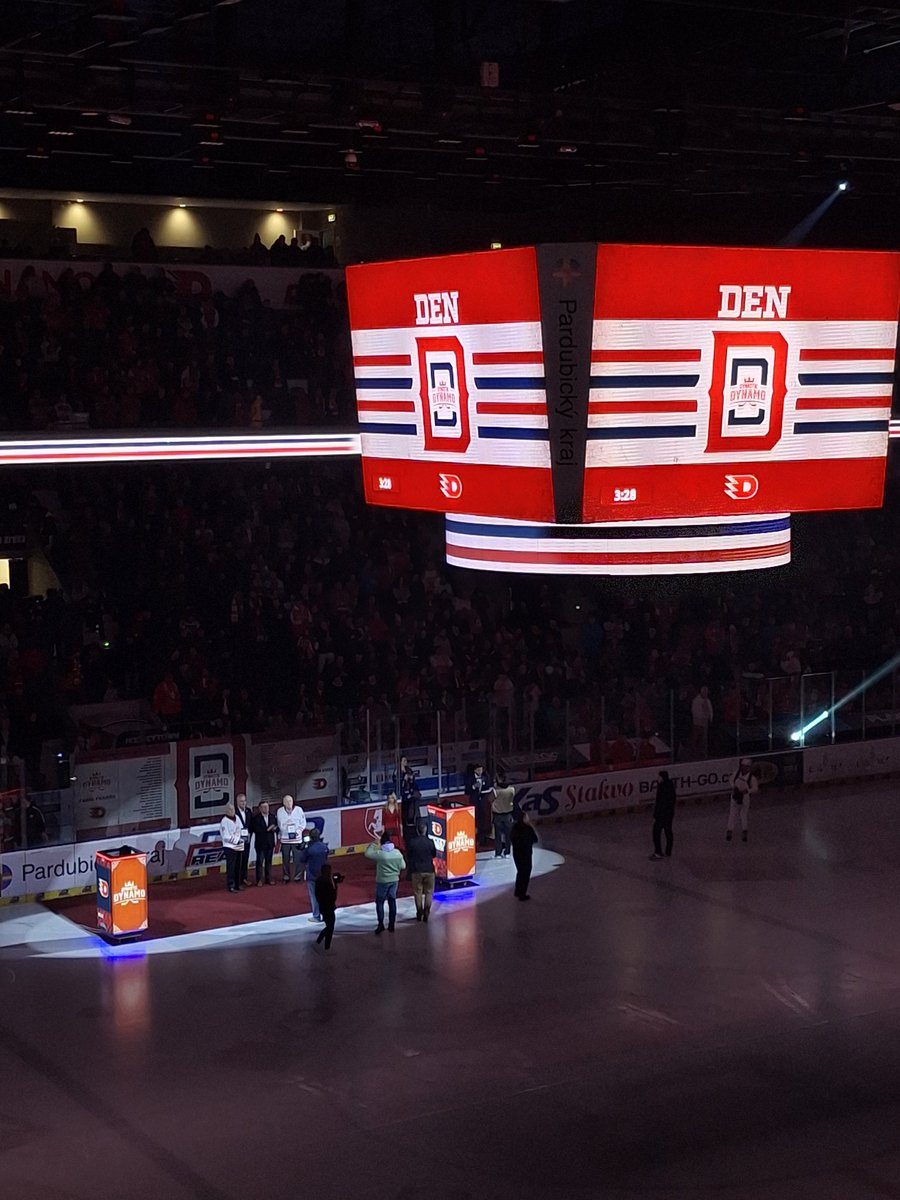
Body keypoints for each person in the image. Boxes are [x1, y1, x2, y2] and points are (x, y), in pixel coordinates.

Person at [365, 830, 407, 934]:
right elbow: (403, 866)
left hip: (382, 881)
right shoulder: (397, 853)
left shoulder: (381, 854)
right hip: (394, 881)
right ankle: (391, 924)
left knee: (380, 902)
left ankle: (380, 924)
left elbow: (367, 853)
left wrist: (374, 843)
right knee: (392, 901)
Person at [406, 820, 437, 923]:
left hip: (416, 871)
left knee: (418, 892)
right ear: (425, 830)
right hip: (429, 870)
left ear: (417, 831)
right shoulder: (430, 842)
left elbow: (409, 856)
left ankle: (419, 912)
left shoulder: (412, 842)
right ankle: (427, 910)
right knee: (429, 892)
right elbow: (434, 855)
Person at [299, 827, 329, 923]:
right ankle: (325, 915)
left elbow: (302, 859)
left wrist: (304, 848)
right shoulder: (324, 847)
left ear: (311, 837)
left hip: (312, 875)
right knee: (323, 895)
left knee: (314, 896)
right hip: (323, 875)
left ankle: (316, 916)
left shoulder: (310, 849)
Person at [277, 793, 307, 882]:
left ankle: (297, 876)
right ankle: (286, 876)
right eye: (287, 801)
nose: (289, 803)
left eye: (290, 801)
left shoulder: (299, 810)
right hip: (285, 840)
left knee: (297, 859)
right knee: (285, 859)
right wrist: (287, 828)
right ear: (283, 803)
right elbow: (280, 825)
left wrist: (297, 831)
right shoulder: (280, 811)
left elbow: (303, 823)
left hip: (297, 839)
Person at [726, 757, 757, 843]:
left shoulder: (752, 778)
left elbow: (755, 788)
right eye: (743, 766)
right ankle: (729, 830)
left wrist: (747, 791)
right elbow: (730, 780)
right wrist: (734, 787)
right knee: (732, 813)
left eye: (746, 767)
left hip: (745, 798)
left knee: (743, 814)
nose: (744, 768)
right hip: (734, 796)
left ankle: (744, 830)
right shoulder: (736, 774)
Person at [510, 810, 538, 901]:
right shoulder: (528, 829)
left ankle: (518, 891)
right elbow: (535, 839)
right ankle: (522, 894)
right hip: (526, 853)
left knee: (520, 872)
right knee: (525, 873)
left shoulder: (515, 828)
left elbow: (511, 838)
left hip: (517, 853)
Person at [649, 769, 676, 860]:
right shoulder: (670, 785)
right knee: (668, 831)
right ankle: (668, 851)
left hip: (662, 814)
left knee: (656, 832)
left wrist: (657, 813)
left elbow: (660, 802)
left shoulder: (662, 787)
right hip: (669, 813)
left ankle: (658, 852)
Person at [314, 863, 341, 950]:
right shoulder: (326, 883)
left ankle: (321, 942)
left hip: (324, 907)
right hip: (327, 907)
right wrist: (335, 886)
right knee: (330, 927)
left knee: (329, 926)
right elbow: (332, 896)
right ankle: (325, 946)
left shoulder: (320, 881)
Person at [466, 763, 495, 846]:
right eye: (478, 770)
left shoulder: (485, 777)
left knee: (482, 820)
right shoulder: (470, 779)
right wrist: (473, 787)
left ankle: (482, 839)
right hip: (474, 803)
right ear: (475, 770)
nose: (480, 771)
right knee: (474, 821)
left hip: (482, 802)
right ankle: (474, 839)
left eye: (481, 770)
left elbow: (489, 787)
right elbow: (467, 791)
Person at [219, 801, 244, 893]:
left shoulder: (237, 818)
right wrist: (236, 840)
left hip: (239, 846)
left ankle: (238, 884)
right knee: (231, 867)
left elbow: (241, 829)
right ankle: (231, 885)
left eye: (233, 809)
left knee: (238, 866)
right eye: (230, 809)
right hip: (229, 847)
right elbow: (225, 836)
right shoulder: (224, 821)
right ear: (226, 811)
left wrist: (243, 837)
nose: (232, 811)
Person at [251, 800, 277, 885]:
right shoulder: (256, 818)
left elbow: (277, 827)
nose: (266, 808)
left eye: (267, 806)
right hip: (260, 844)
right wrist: (267, 829)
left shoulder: (273, 817)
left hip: (270, 843)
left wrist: (275, 829)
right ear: (260, 808)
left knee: (268, 862)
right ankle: (259, 880)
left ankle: (268, 879)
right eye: (264, 807)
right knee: (259, 862)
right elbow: (256, 830)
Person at [395, 754, 421, 838]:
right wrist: (404, 779)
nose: (406, 762)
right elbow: (396, 783)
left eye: (406, 760)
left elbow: (413, 782)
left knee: (411, 809)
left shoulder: (409, 770)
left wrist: (411, 778)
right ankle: (404, 828)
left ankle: (412, 824)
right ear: (400, 762)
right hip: (401, 794)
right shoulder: (397, 771)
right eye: (404, 761)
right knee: (403, 811)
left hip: (410, 793)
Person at [491, 775, 515, 857]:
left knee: (498, 835)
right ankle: (507, 852)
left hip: (498, 815)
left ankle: (498, 853)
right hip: (508, 814)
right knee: (508, 834)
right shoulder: (512, 789)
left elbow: (489, 799)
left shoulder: (495, 791)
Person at [234, 792, 252, 887]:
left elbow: (251, 825)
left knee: (245, 860)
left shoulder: (248, 811)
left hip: (247, 840)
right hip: (237, 841)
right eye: (241, 801)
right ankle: (237, 881)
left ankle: (244, 878)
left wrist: (249, 834)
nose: (243, 803)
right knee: (238, 861)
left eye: (244, 801)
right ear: (237, 802)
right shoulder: (234, 813)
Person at [691, 686, 714, 757]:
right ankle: (694, 752)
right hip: (698, 723)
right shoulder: (696, 701)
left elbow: (710, 710)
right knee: (696, 738)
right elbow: (695, 712)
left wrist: (710, 718)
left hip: (705, 723)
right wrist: (701, 717)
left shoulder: (707, 700)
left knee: (704, 739)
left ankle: (704, 753)